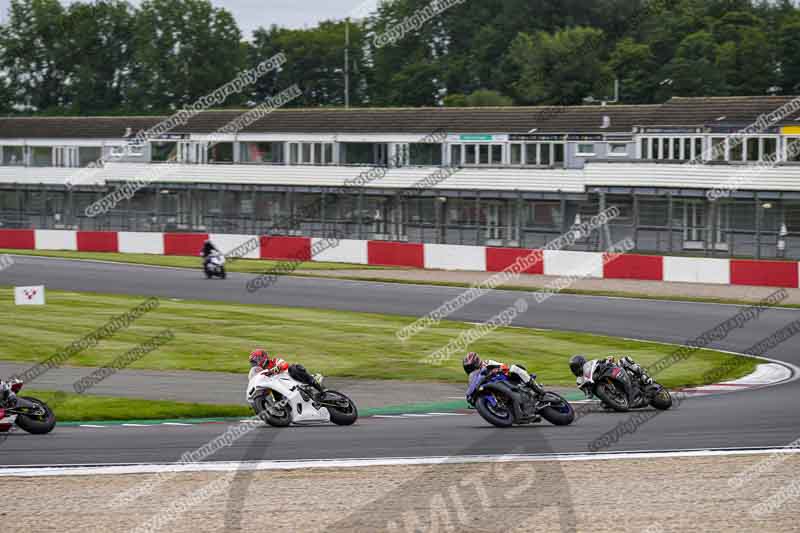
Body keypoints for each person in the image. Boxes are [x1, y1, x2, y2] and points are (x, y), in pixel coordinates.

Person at [569, 354, 654, 397]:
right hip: (606, 393)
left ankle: (643, 375)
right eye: (573, 368)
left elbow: (602, 362)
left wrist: (607, 360)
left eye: (576, 367)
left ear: (582, 363)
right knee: (605, 406)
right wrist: (588, 390)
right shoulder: (579, 381)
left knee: (625, 360)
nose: (575, 370)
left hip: (611, 373)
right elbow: (588, 395)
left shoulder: (591, 364)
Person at [248, 349, 324, 393]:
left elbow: (285, 364)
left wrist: (273, 370)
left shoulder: (274, 361)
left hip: (291, 380)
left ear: (263, 357)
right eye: (253, 362)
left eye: (257, 360)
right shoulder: (261, 372)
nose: (256, 363)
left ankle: (314, 381)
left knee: (294, 367)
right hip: (281, 388)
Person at [462, 352, 534, 387]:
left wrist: (498, 369)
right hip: (494, 388)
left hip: (505, 379)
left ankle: (537, 389)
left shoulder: (487, 363)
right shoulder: (472, 379)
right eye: (468, 368)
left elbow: (503, 366)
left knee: (515, 368)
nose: (470, 369)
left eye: (471, 366)